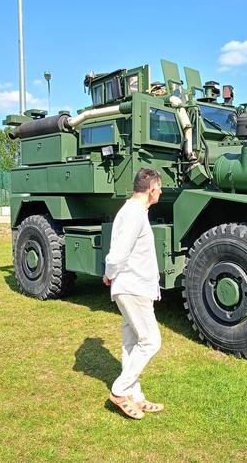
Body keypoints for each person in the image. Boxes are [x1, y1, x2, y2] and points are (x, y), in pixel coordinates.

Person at [103, 168, 164, 420]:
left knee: (132, 343)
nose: (161, 192)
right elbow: (118, 253)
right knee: (151, 341)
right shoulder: (134, 214)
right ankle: (119, 391)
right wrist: (109, 273)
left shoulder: (134, 212)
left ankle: (135, 395)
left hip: (134, 287)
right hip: (133, 288)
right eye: (159, 188)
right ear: (151, 189)